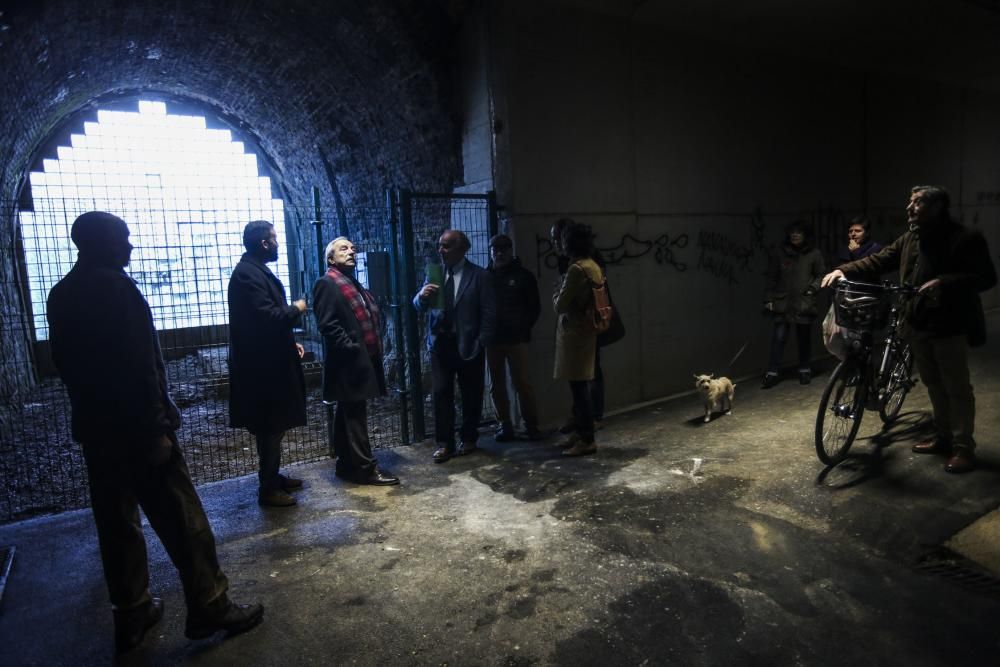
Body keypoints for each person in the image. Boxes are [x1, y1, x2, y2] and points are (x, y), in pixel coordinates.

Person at [46, 212, 263, 654]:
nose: (130, 247)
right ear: (101, 244)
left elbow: (68, 367)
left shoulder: (61, 294)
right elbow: (138, 368)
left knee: (116, 523)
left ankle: (131, 613)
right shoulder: (117, 290)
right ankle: (210, 604)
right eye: (123, 239)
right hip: (139, 432)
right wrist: (157, 428)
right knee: (185, 520)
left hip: (97, 431)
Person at [822, 185, 997, 473]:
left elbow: (986, 277)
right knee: (933, 383)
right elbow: (881, 259)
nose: (909, 207)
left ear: (938, 207)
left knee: (956, 387)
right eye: (910, 201)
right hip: (917, 322)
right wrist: (845, 270)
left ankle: (964, 446)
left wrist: (945, 282)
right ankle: (943, 436)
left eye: (917, 203)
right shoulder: (911, 238)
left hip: (949, 324)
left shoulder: (965, 238)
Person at [227, 219, 307, 508]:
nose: (277, 244)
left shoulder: (253, 271)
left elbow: (263, 321)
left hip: (269, 362)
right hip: (263, 370)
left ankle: (272, 477)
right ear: (264, 243)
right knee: (270, 426)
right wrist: (296, 309)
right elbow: (269, 318)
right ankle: (268, 488)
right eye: (274, 239)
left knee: (274, 426)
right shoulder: (248, 275)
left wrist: (289, 341)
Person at [313, 237, 399, 485]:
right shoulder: (327, 283)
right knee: (355, 416)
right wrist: (351, 349)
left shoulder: (351, 282)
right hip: (348, 363)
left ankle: (345, 463)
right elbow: (328, 325)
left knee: (347, 412)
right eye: (343, 248)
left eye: (352, 248)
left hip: (361, 358)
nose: (351, 251)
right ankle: (365, 468)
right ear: (331, 258)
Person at [413, 229, 497, 463]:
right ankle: (444, 443)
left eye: (447, 246)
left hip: (469, 344)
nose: (441, 250)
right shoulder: (435, 274)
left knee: (471, 394)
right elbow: (418, 306)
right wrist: (421, 296)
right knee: (441, 394)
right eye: (440, 245)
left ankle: (469, 438)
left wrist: (482, 342)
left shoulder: (480, 276)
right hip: (440, 345)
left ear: (462, 249)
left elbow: (490, 313)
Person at [550, 218, 608, 432]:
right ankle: (585, 426)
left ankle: (586, 433)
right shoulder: (592, 264)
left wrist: (557, 291)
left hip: (577, 331)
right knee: (583, 382)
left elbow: (560, 305)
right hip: (589, 326)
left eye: (558, 239)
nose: (555, 243)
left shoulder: (576, 268)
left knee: (580, 385)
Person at [486, 233, 543, 442]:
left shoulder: (523, 277)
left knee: (522, 383)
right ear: (490, 251)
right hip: (493, 340)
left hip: (516, 339)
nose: (499, 253)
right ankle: (505, 424)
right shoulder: (486, 278)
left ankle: (531, 425)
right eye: (496, 250)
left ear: (511, 251)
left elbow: (534, 308)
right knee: (497, 384)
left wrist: (522, 328)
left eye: (504, 249)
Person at [761, 220, 825, 388]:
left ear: (805, 235)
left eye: (799, 232)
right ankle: (772, 373)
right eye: (792, 232)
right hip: (783, 303)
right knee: (779, 338)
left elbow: (821, 275)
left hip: (803, 303)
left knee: (804, 338)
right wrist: (769, 298)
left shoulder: (814, 254)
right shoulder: (780, 253)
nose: (795, 235)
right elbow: (771, 276)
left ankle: (804, 370)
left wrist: (812, 289)